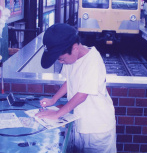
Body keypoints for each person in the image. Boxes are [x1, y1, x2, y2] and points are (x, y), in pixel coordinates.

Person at [36, 23, 116, 153]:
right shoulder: (71, 58)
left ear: (75, 48)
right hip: (80, 122)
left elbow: (82, 95)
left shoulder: (93, 61)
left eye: (61, 59)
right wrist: (53, 100)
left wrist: (57, 114)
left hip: (97, 128)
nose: (61, 62)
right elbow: (70, 81)